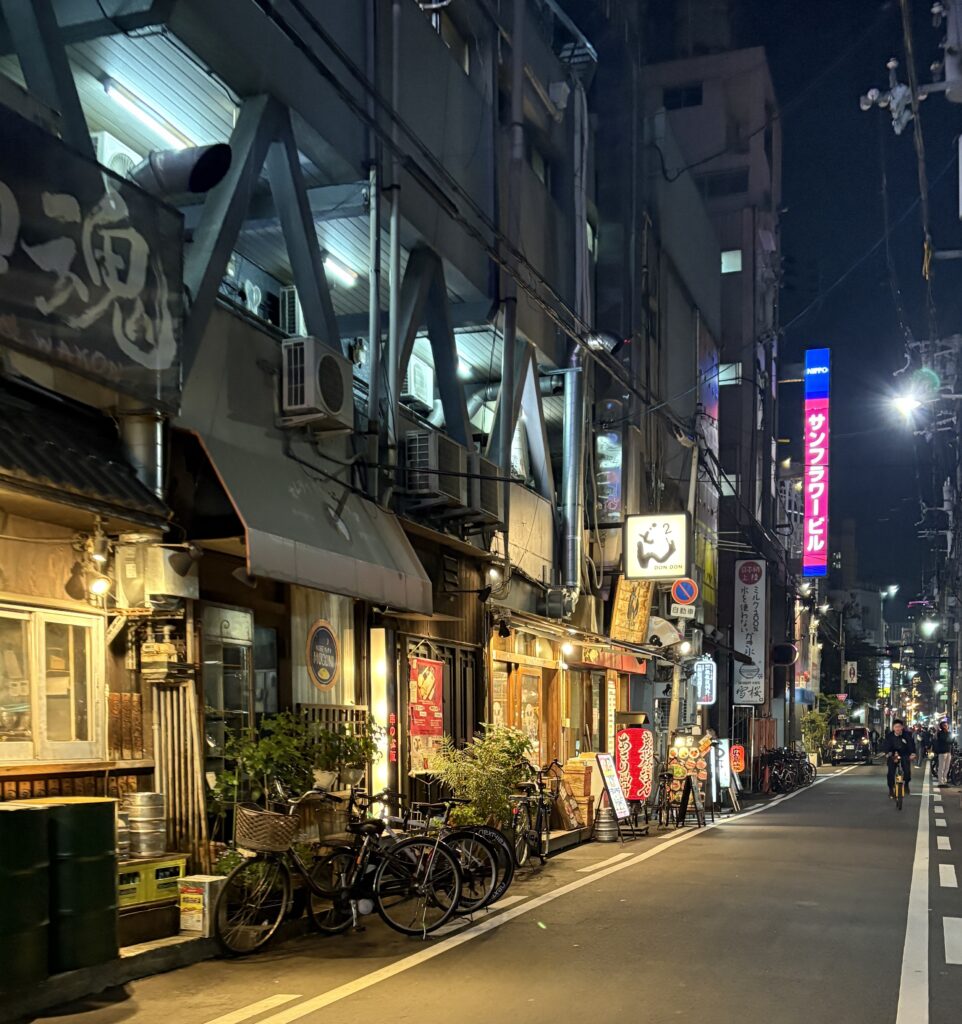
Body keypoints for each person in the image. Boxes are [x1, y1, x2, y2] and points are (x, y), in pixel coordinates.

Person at [882, 719, 917, 799]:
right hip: (893, 754)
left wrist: (912, 753)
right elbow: (886, 746)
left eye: (899, 727)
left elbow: (911, 745)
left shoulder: (907, 735)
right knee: (891, 772)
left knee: (907, 771)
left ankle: (906, 784)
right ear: (893, 728)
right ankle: (891, 789)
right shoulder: (889, 736)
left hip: (904, 754)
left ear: (902, 727)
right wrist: (887, 753)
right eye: (896, 727)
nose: (897, 728)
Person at [934, 721, 952, 787]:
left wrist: (951, 738)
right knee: (941, 767)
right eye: (944, 725)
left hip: (949, 751)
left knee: (947, 767)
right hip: (942, 752)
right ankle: (940, 782)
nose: (946, 726)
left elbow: (952, 741)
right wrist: (950, 738)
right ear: (942, 726)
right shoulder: (940, 733)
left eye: (947, 725)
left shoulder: (949, 733)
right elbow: (945, 740)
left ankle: (945, 780)